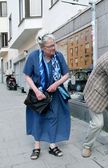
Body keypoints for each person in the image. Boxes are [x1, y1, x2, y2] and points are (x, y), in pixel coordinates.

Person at [23, 30, 71, 160]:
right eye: (50, 46)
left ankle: (52, 145)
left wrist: (57, 84)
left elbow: (66, 74)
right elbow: (27, 76)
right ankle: (37, 146)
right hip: (38, 94)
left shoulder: (59, 56)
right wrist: (37, 91)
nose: (53, 48)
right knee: (38, 119)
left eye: (54, 45)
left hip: (54, 94)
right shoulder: (33, 56)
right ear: (43, 48)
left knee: (53, 118)